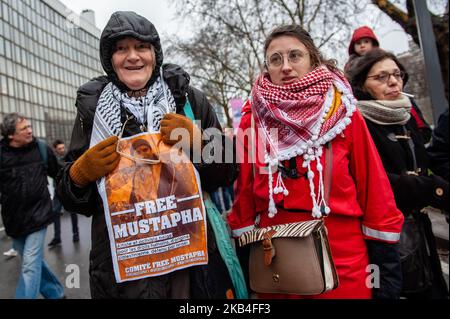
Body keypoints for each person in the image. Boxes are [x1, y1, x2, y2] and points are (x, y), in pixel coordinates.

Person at [56, 11, 237, 299]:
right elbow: (75, 198)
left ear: (155, 53)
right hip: (121, 270)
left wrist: (201, 143)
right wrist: (79, 175)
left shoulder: (188, 99)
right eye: (121, 49)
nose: (133, 57)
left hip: (187, 266)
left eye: (141, 47)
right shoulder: (91, 113)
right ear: (109, 59)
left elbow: (228, 171)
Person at [227, 24, 404, 299]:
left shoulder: (343, 113)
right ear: (267, 67)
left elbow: (375, 189)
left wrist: (387, 272)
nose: (285, 66)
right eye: (276, 59)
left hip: (342, 264)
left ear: (312, 59)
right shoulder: (253, 120)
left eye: (295, 56)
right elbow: (244, 194)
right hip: (276, 264)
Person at [347, 48, 449, 299]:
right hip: (386, 241)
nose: (393, 81)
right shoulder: (357, 123)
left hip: (419, 232)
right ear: (362, 84)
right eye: (381, 77)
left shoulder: (406, 115)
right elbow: (376, 183)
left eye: (397, 74)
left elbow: (424, 165)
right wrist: (431, 188)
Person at [0, 113, 65, 299]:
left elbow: (59, 174)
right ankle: (56, 293)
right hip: (14, 219)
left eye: (29, 126)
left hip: (39, 215)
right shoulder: (1, 154)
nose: (30, 130)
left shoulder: (41, 149)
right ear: (10, 135)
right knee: (34, 263)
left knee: (29, 265)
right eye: (24, 128)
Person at [48, 139, 79, 247]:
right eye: (59, 149)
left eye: (63, 148)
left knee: (72, 211)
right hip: (57, 189)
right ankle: (57, 237)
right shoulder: (52, 159)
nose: (62, 150)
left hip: (68, 189)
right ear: (55, 150)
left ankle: (76, 234)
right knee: (55, 212)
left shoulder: (69, 156)